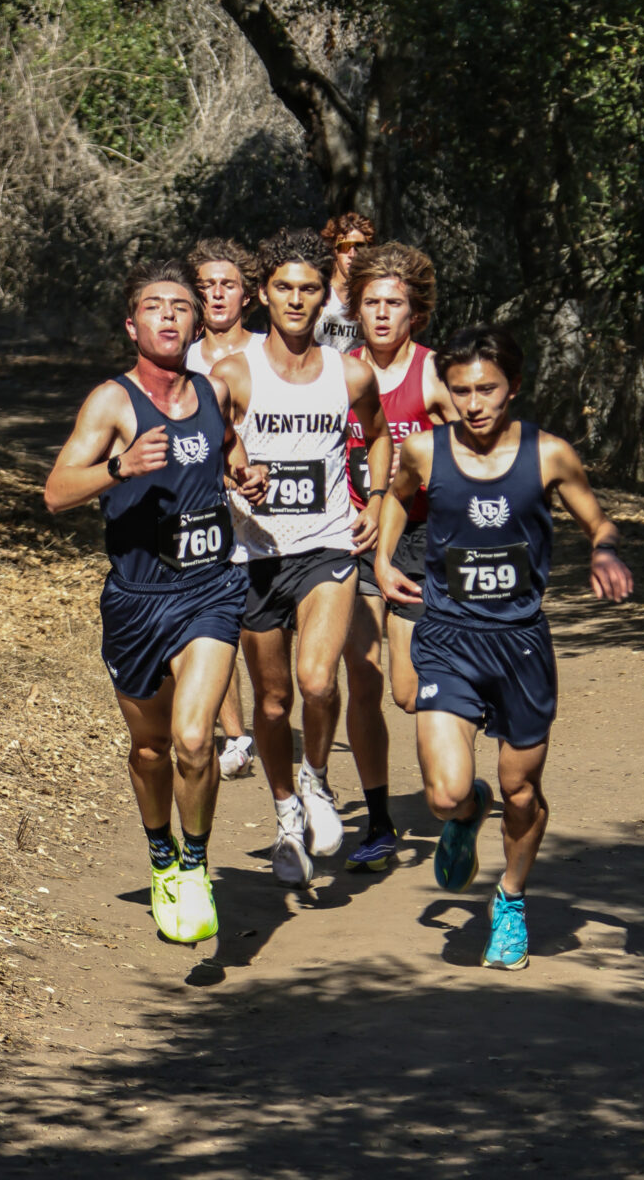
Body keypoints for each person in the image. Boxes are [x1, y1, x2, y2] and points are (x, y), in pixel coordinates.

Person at [375, 323, 633, 969]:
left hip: (519, 645)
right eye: (461, 390)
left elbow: (598, 517)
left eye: (487, 388)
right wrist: (381, 559)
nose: (474, 403)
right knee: (442, 793)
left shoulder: (548, 455)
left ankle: (511, 899)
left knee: (521, 793)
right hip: (447, 637)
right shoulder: (426, 452)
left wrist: (603, 547)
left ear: (513, 386)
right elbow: (398, 501)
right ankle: (464, 813)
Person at [44, 260, 267, 944]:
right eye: (154, 306)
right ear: (131, 324)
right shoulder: (111, 403)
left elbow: (228, 449)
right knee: (151, 748)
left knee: (196, 740)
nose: (169, 315)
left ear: (197, 322)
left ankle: (195, 865)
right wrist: (119, 468)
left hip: (211, 590)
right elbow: (55, 493)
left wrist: (246, 477)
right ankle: (162, 854)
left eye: (180, 306)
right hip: (138, 599)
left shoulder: (213, 390)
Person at [212, 227, 392, 887]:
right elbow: (210, 443)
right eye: (284, 287)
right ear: (264, 294)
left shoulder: (348, 371)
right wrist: (237, 474)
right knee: (273, 700)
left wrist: (371, 500)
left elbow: (375, 436)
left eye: (308, 289)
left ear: (324, 299)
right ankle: (286, 810)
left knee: (319, 682)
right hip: (254, 554)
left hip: (328, 544)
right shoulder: (233, 373)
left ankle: (316, 779)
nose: (295, 299)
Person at [341, 242, 457, 874]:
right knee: (362, 676)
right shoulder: (340, 371)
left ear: (416, 313)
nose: (383, 315)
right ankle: (379, 821)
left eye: (395, 304)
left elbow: (477, 446)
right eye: (372, 303)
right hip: (353, 536)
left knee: (408, 693)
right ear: (356, 309)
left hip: (417, 540)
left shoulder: (435, 374)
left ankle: (457, 781)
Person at [186, 237, 262, 779]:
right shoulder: (177, 356)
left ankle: (272, 712)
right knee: (218, 625)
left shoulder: (270, 350)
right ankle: (237, 735)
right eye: (206, 285)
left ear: (248, 295)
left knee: (265, 635)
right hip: (207, 508)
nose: (216, 293)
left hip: (271, 509)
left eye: (227, 284)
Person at [314, 212, 375, 353]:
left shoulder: (373, 298)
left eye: (359, 247)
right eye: (345, 247)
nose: (352, 254)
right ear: (334, 249)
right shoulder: (318, 294)